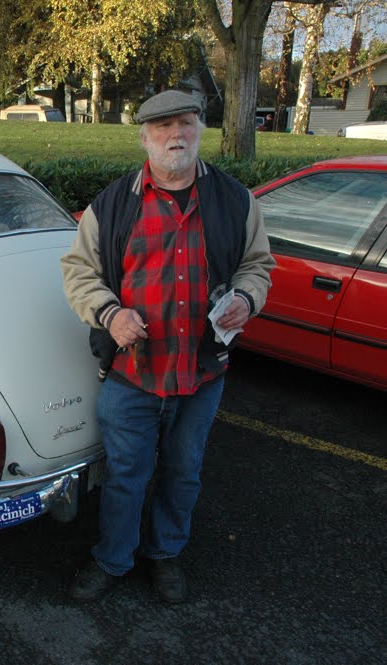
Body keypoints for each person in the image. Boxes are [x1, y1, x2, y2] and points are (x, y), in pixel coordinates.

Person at [59, 90, 275, 603]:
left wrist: (247, 297)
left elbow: (258, 265)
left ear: (201, 128)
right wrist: (110, 314)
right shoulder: (112, 205)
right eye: (162, 127)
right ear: (144, 137)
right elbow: (77, 271)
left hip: (200, 375)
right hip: (133, 373)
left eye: (185, 122)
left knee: (183, 472)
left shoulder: (235, 200)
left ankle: (165, 555)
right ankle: (112, 559)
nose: (175, 134)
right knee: (125, 475)